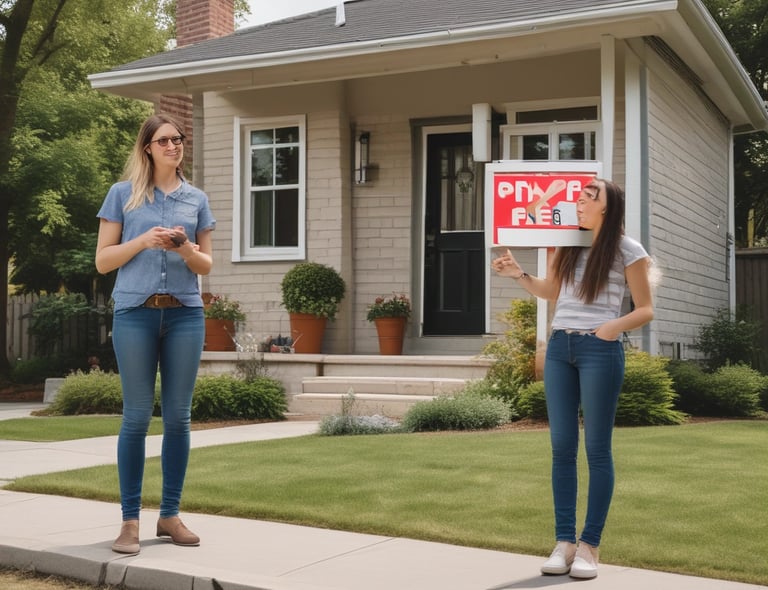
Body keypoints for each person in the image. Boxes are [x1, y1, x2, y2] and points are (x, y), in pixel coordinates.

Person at [492, 178, 653, 579]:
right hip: (560, 349)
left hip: (600, 350)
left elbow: (646, 309)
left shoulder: (627, 249)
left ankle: (589, 546)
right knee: (562, 447)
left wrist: (610, 329)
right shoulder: (568, 242)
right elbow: (552, 293)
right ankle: (564, 542)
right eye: (578, 197)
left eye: (588, 197)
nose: (579, 202)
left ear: (607, 206)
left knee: (597, 450)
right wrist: (518, 273)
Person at [95, 113, 216, 555]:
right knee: (137, 416)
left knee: (179, 417)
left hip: (185, 314)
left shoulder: (196, 199)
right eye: (165, 140)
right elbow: (103, 261)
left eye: (178, 139)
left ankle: (169, 516)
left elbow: (206, 266)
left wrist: (184, 246)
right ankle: (129, 522)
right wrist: (144, 241)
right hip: (135, 314)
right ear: (147, 146)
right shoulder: (122, 195)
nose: (174, 146)